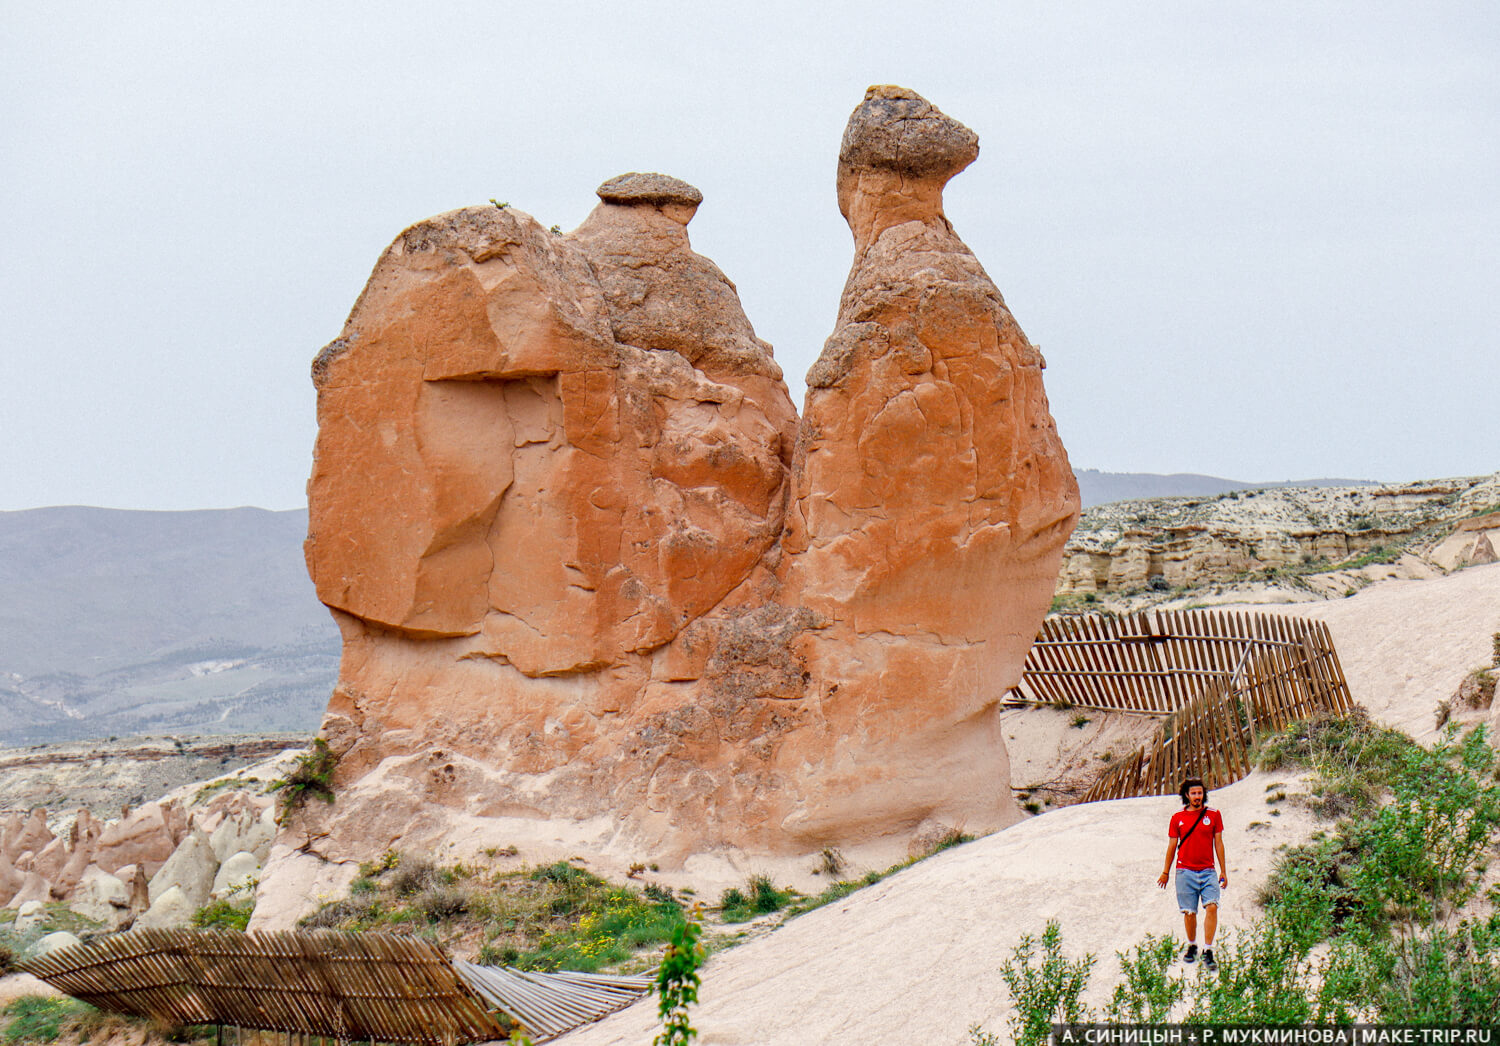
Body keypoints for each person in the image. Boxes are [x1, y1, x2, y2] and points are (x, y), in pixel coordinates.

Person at [1156, 777, 1227, 972]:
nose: (1197, 796)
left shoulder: (1213, 815)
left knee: (1212, 907)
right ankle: (1192, 945)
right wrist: (1165, 872)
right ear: (1186, 795)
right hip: (1184, 870)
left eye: (1200, 793)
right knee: (1189, 912)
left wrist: (1223, 870)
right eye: (1193, 793)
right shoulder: (1177, 817)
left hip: (1208, 870)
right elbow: (1172, 846)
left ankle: (1208, 949)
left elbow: (1218, 843)